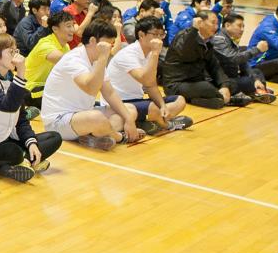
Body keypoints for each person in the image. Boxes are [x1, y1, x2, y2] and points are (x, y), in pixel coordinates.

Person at [0, 33, 62, 182]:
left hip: (3, 136)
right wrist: (21, 73)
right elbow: (9, 105)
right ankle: (20, 161)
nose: (16, 56)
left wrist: (31, 143)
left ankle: (23, 162)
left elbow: (20, 118)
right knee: (13, 151)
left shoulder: (8, 78)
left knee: (53, 137)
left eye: (16, 51)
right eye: (11, 52)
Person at [40, 21, 143, 151]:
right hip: (58, 121)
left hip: (84, 114)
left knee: (130, 110)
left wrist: (129, 120)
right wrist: (103, 57)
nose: (111, 48)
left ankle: (94, 135)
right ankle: (118, 137)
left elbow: (109, 93)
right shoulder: (74, 59)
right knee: (96, 118)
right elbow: (91, 88)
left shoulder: (97, 59)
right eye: (108, 44)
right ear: (94, 40)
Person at [107, 17, 192, 133]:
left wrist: (162, 105)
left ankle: (146, 122)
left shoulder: (149, 53)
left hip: (138, 99)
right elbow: (144, 79)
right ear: (141, 35)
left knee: (180, 101)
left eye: (161, 35)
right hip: (120, 102)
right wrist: (156, 53)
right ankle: (168, 124)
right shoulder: (129, 54)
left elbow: (150, 85)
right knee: (153, 108)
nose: (159, 39)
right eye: (155, 35)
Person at [160, 9, 246, 109]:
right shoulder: (184, 36)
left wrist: (224, 86)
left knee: (231, 83)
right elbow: (186, 53)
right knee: (206, 87)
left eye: (217, 23)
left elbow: (214, 66)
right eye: (213, 23)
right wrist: (193, 29)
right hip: (176, 84)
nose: (216, 27)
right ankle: (225, 99)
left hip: (196, 81)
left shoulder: (207, 42)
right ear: (200, 22)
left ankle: (216, 99)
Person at [212, 14, 278, 103]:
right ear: (227, 25)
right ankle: (255, 90)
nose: (242, 29)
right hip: (223, 80)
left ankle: (256, 90)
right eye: (239, 26)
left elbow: (243, 63)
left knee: (256, 72)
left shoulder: (231, 39)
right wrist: (257, 49)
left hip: (234, 75)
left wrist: (255, 79)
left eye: (243, 26)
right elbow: (233, 59)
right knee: (248, 81)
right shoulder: (219, 39)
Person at [24, 11, 76, 106]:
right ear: (55, 29)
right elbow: (69, 63)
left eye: (73, 25)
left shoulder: (66, 46)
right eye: (68, 26)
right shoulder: (45, 44)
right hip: (30, 90)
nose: (73, 29)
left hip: (48, 87)